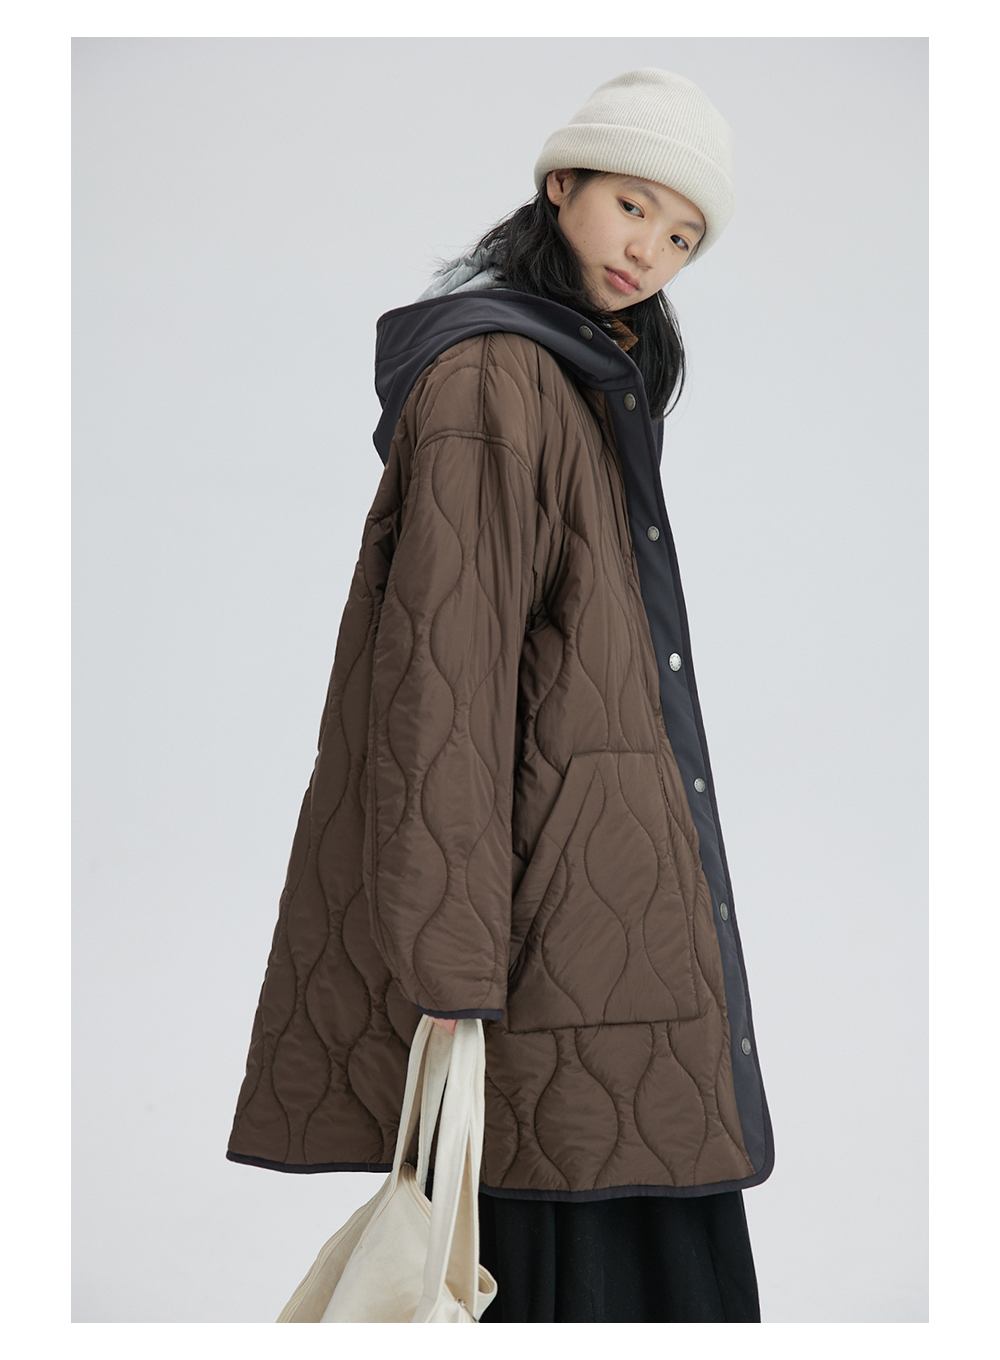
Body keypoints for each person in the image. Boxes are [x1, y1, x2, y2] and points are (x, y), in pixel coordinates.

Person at [227, 67, 773, 1323]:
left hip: (607, 931)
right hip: (540, 943)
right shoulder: (493, 384)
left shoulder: (578, 383)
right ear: (560, 184)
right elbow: (445, 694)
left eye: (682, 236)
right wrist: (451, 975)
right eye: (632, 204)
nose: (649, 250)